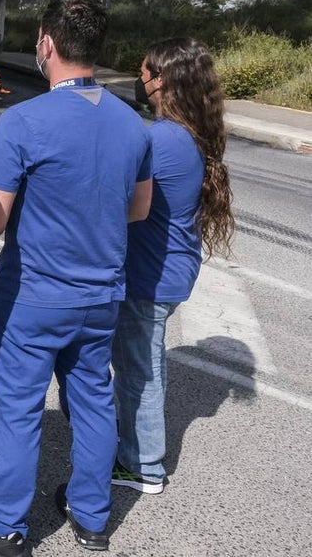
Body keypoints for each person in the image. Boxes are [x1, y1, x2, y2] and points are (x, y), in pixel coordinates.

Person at [0, 0, 152, 556]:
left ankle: (3, 526)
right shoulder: (132, 123)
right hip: (101, 295)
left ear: (45, 45)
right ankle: (92, 517)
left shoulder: (22, 121)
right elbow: (139, 209)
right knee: (92, 399)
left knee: (17, 409)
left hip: (32, 297)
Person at [112, 38, 234, 495]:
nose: (138, 79)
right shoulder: (188, 132)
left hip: (149, 275)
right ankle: (130, 441)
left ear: (161, 80)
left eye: (143, 72)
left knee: (139, 372)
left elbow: (121, 200)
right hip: (170, 269)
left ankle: (142, 466)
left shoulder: (160, 140)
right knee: (143, 363)